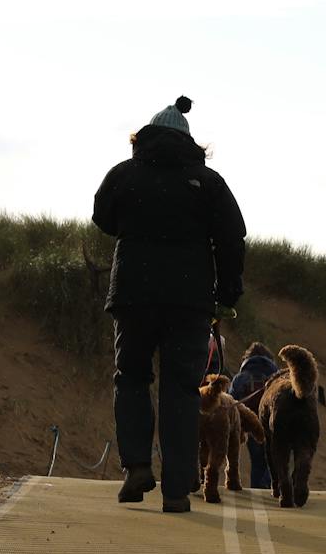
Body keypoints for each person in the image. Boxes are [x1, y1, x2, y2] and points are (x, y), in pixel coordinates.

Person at [92, 96, 247, 513]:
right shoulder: (208, 182)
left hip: (132, 295)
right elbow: (233, 237)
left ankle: (137, 467)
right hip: (190, 301)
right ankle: (177, 488)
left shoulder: (124, 175)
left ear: (143, 138)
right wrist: (227, 295)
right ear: (189, 140)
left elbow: (102, 218)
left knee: (131, 378)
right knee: (181, 389)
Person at [230, 341, 281, 489]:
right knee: (273, 460)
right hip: (272, 424)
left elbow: (231, 402)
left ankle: (259, 492)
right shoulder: (275, 378)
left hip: (252, 426)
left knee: (257, 462)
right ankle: (272, 488)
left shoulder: (241, 377)